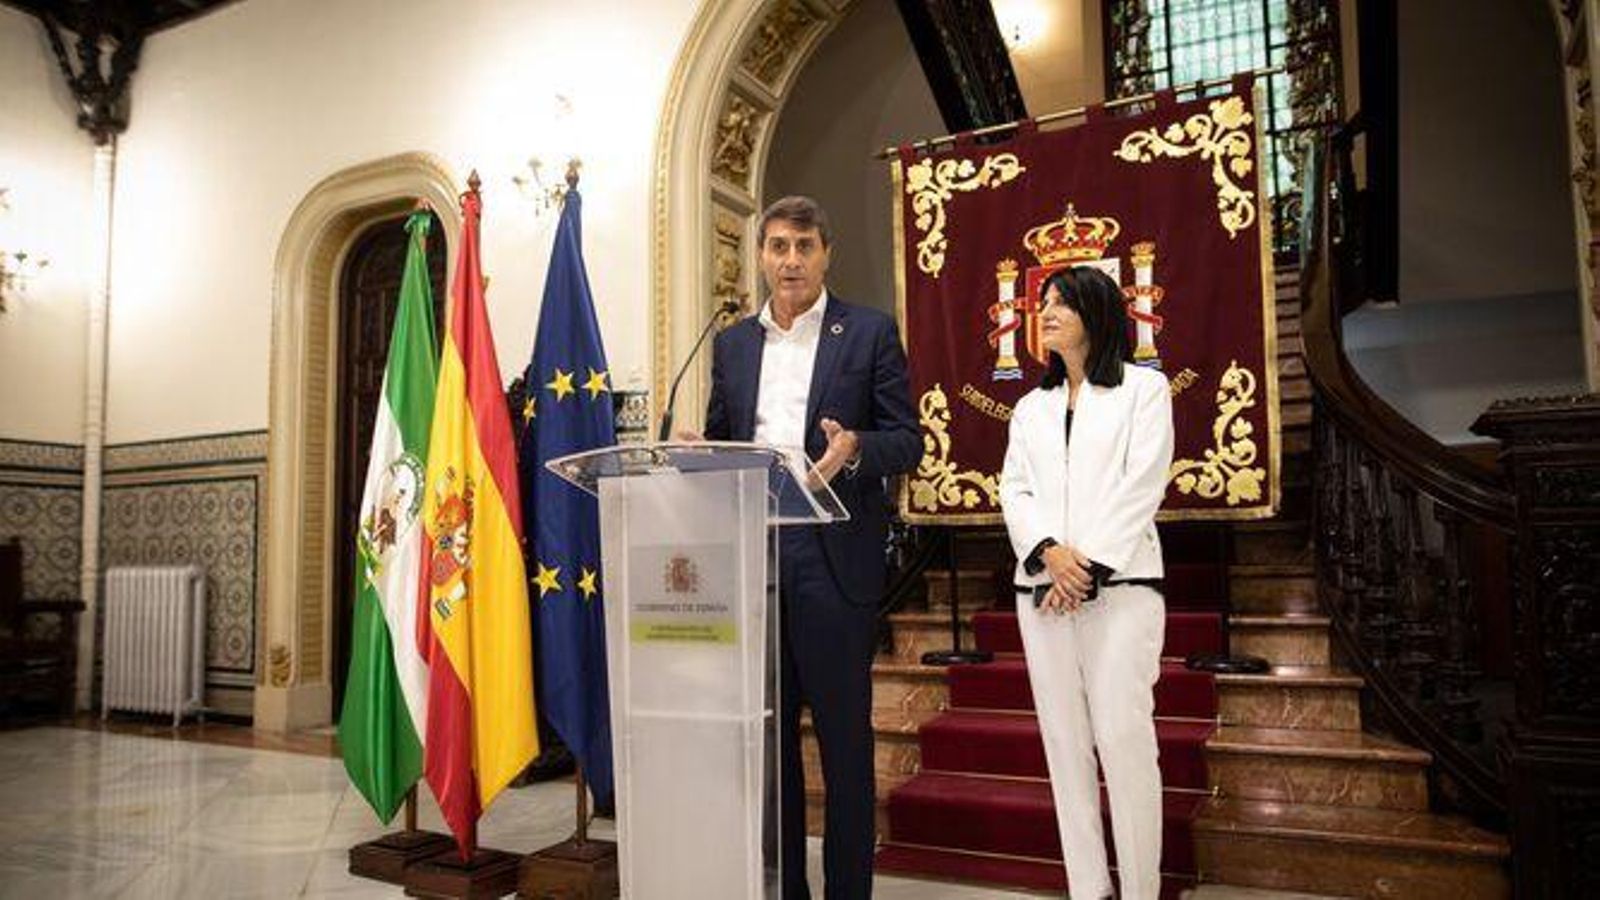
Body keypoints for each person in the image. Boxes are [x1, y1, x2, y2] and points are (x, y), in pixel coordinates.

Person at [696, 195, 920, 899]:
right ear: (760, 256)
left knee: (843, 745)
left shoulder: (868, 333)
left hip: (832, 560)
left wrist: (854, 450)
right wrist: (700, 457)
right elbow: (723, 436)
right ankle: (785, 889)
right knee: (768, 747)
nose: (790, 260)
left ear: (826, 254)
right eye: (778, 247)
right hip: (754, 560)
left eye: (803, 247)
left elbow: (907, 438)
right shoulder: (732, 345)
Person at [997, 265, 1174, 900]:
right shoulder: (1031, 407)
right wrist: (1048, 552)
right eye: (1041, 303)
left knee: (1123, 741)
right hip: (1041, 593)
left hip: (1122, 589)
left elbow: (1142, 483)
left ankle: (1140, 891)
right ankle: (1089, 888)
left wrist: (1088, 565)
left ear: (1095, 313)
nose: (1043, 313)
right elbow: (1014, 488)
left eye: (1059, 303)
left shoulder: (1143, 392)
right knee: (1064, 746)